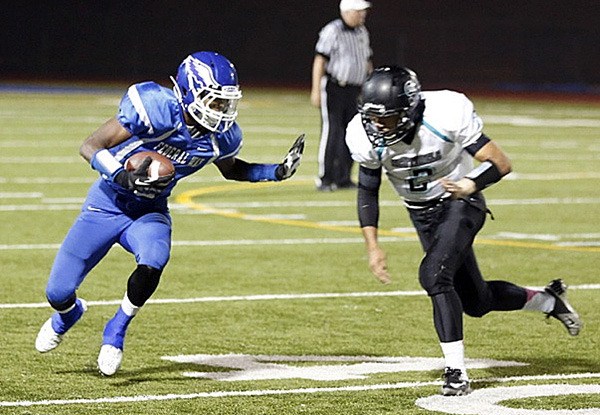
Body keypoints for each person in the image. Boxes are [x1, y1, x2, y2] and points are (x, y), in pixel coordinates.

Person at [35, 51, 305, 376]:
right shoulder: (155, 107)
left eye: (225, 103)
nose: (222, 111)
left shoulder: (219, 139)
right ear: (190, 92)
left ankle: (116, 329)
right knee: (57, 292)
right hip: (107, 204)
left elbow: (233, 171)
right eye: (215, 101)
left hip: (149, 211)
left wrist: (276, 171)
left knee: (154, 258)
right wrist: (122, 175)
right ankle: (68, 315)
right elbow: (91, 145)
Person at [345, 65, 582, 396]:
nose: (376, 126)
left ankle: (455, 372)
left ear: (410, 109)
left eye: (385, 118)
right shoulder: (363, 134)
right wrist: (373, 246)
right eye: (372, 118)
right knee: (476, 300)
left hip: (461, 202)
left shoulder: (445, 112)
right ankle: (547, 301)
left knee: (433, 275)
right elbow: (367, 190)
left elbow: (500, 162)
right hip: (421, 214)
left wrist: (469, 184)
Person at [310, 0, 373, 192]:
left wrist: (369, 86)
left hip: (354, 89)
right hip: (335, 87)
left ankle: (344, 177)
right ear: (346, 11)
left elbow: (367, 60)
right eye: (359, 12)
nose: (362, 15)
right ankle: (326, 177)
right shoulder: (332, 30)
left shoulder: (362, 32)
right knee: (332, 131)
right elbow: (320, 60)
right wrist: (315, 90)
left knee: (352, 132)